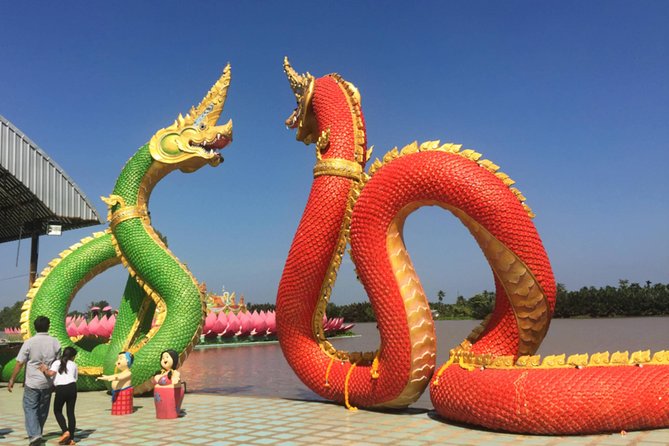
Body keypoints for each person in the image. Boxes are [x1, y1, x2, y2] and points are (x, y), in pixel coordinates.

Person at [7, 316, 62, 446]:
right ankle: (38, 433)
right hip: (47, 383)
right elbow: (58, 363)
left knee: (30, 408)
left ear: (35, 327)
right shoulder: (55, 342)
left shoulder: (29, 342)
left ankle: (35, 435)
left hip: (32, 383)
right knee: (42, 410)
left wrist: (12, 379)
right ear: (48, 326)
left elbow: (20, 363)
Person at [41, 346, 78, 445]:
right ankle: (71, 439)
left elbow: (50, 373)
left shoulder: (57, 362)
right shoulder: (74, 364)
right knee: (70, 413)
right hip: (72, 387)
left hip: (61, 389)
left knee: (57, 410)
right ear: (72, 356)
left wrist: (45, 369)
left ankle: (65, 431)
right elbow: (75, 378)